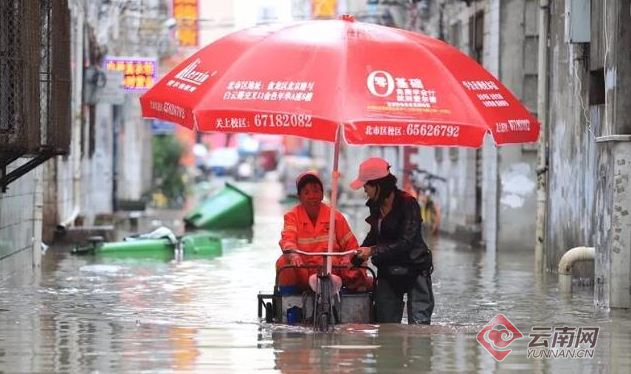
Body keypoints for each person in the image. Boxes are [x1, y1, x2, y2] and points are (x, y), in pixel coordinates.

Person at [350, 157, 434, 324]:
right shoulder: (375, 205)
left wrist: (372, 251)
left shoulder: (408, 204)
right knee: (386, 325)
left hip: (415, 268)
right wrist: (358, 254)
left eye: (366, 185)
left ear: (377, 185)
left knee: (420, 328)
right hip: (387, 271)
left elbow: (407, 242)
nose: (364, 190)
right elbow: (375, 234)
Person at [276, 171, 372, 293]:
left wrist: (351, 258)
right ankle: (290, 307)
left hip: (333, 271)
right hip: (303, 270)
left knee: (357, 260)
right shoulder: (292, 216)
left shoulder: (335, 216)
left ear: (322, 194)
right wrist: (293, 255)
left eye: (316, 191)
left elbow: (351, 246)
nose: (312, 196)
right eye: (306, 192)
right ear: (299, 196)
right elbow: (287, 239)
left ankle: (349, 292)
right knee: (283, 263)